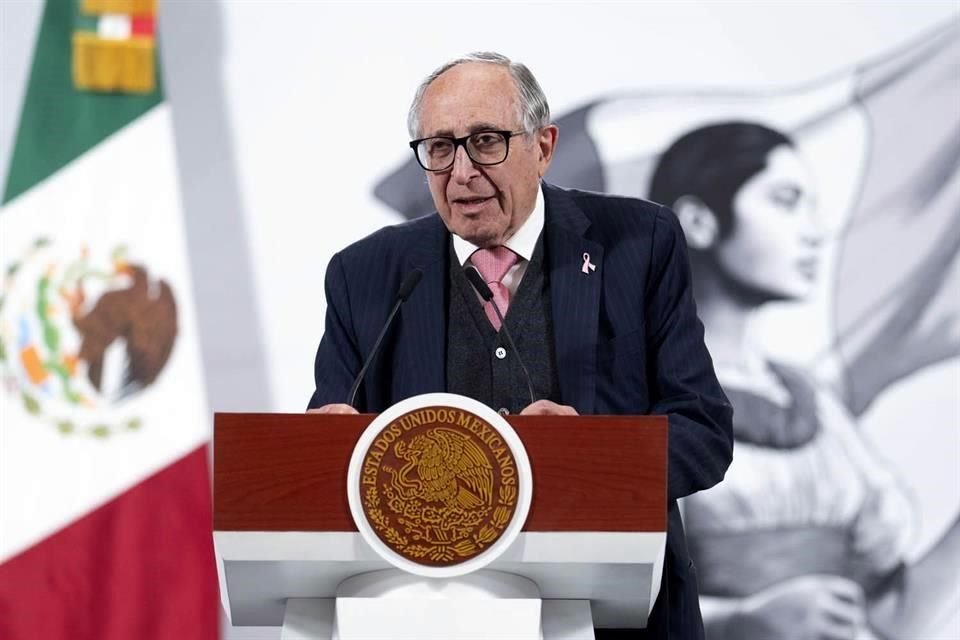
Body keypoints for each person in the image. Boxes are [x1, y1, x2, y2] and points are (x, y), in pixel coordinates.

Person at [307, 52, 733, 638]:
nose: (461, 172)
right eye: (439, 148)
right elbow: (329, 438)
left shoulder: (638, 243)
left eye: (485, 141)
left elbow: (702, 431)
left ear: (544, 146)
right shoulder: (366, 275)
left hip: (621, 618)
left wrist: (589, 456)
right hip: (424, 616)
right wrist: (323, 450)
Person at [648, 122, 960, 640]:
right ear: (700, 221)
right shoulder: (633, 393)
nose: (814, 231)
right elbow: (601, 603)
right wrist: (739, 624)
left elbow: (891, 617)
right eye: (786, 200)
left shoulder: (813, 402)